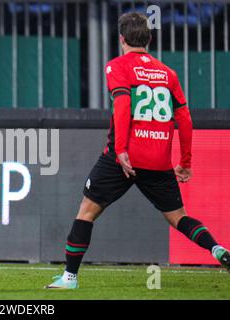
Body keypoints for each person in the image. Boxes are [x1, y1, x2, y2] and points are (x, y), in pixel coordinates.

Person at [45, 12, 230, 289]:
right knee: (178, 217)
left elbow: (122, 106)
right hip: (158, 160)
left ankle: (70, 278)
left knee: (86, 212)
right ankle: (216, 249)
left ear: (121, 39)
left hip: (124, 157)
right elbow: (185, 119)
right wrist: (186, 160)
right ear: (150, 38)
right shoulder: (168, 73)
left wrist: (120, 149)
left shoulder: (117, 67)